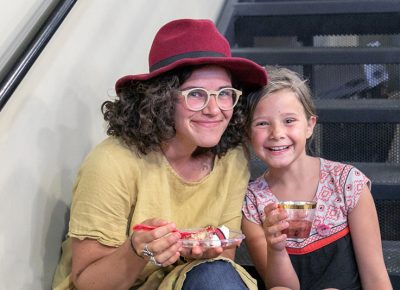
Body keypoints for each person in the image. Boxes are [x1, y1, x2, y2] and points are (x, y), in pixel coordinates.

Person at [52, 18, 268, 290]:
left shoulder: (232, 158)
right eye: (197, 94)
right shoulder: (112, 162)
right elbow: (88, 283)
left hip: (189, 283)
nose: (215, 110)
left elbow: (222, 260)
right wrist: (135, 251)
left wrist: (196, 252)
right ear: (161, 99)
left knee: (216, 274)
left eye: (224, 94)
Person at [241, 66, 392, 290]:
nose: (277, 133)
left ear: (310, 126)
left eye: (289, 120)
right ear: (247, 133)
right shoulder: (253, 203)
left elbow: (376, 280)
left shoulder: (347, 184)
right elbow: (282, 286)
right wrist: (276, 248)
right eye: (262, 123)